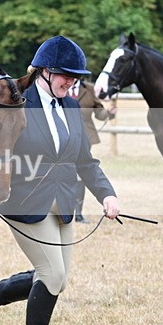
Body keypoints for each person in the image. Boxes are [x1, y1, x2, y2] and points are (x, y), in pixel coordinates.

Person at [0, 35, 120, 325]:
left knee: (57, 278)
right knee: (51, 273)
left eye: (76, 76)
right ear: (44, 71)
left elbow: (84, 160)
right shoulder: (15, 103)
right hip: (23, 200)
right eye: (65, 75)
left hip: (62, 203)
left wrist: (106, 194)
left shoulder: (72, 107)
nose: (71, 82)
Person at [71, 78, 116, 223]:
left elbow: (99, 112)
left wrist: (109, 113)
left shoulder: (89, 89)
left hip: (85, 137)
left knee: (81, 174)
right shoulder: (58, 88)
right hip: (63, 136)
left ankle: (78, 213)